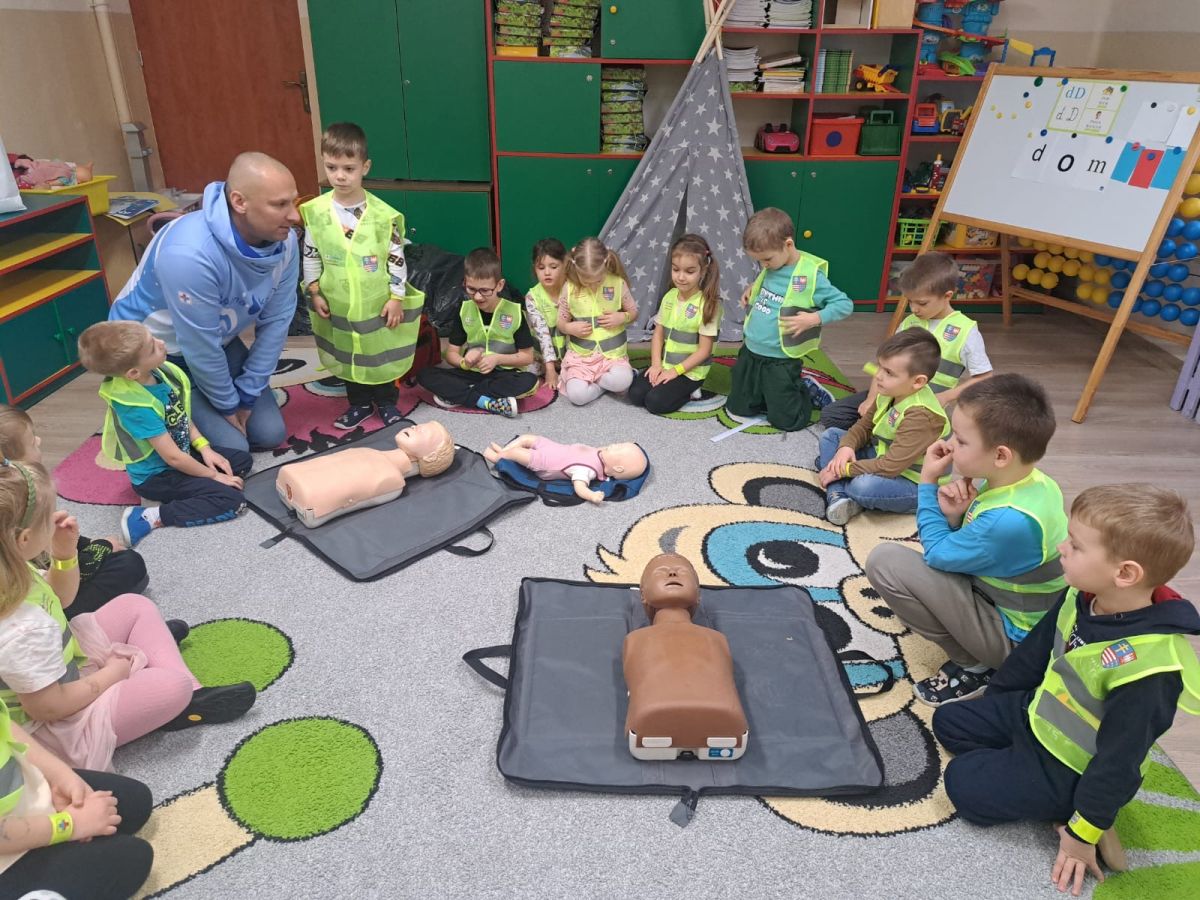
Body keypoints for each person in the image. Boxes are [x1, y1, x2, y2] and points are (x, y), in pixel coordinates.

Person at [932, 485, 1199, 897]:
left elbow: (1120, 760)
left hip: (1070, 765)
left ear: (1125, 574)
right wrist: (998, 706)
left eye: (1075, 545)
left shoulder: (1151, 668)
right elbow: (1033, 656)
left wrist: (1081, 832)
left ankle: (1080, 809)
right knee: (948, 720)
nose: (1062, 547)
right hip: (1037, 715)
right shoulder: (1082, 594)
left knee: (961, 783)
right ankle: (1025, 775)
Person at [0, 461, 256, 773]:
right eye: (47, 517)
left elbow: (61, 598)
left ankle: (186, 696)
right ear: (24, 540)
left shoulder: (11, 566)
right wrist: (113, 674)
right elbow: (51, 707)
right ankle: (177, 697)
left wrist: (65, 557)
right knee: (171, 686)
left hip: (63, 664)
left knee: (134, 605)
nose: (58, 517)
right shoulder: (22, 630)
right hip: (57, 725)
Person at [866, 374, 1068, 706]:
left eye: (960, 440)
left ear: (1001, 455)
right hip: (1019, 614)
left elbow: (936, 553)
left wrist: (927, 484)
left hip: (1018, 642)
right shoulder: (1033, 482)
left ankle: (976, 666)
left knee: (886, 563)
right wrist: (955, 517)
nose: (948, 444)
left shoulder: (1008, 520)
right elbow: (982, 550)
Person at [109, 151, 301, 453]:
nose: (295, 216)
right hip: (152, 353)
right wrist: (228, 406)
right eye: (280, 205)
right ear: (239, 202)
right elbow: (199, 345)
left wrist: (248, 394)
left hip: (217, 340)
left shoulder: (286, 241)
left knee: (268, 434)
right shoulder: (190, 254)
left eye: (294, 202)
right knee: (234, 449)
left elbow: (278, 320)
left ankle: (199, 406)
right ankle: (136, 405)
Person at [78, 322, 252, 548]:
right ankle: (149, 516)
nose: (161, 343)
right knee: (231, 501)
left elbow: (179, 414)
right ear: (133, 373)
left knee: (241, 461)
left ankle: (195, 486)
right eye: (152, 347)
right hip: (158, 475)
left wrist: (204, 447)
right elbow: (173, 458)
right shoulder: (137, 407)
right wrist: (212, 476)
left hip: (179, 453)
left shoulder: (158, 372)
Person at [301, 122, 423, 431]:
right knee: (349, 355)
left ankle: (387, 403)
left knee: (378, 354)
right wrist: (314, 291)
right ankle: (358, 404)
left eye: (349, 168)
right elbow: (311, 255)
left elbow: (396, 258)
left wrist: (396, 297)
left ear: (364, 167)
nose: (340, 176)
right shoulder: (316, 212)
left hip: (376, 303)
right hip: (338, 303)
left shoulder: (383, 215)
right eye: (332, 167)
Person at [0, 406, 148, 619]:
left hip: (47, 587)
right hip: (50, 609)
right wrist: (102, 546)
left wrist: (84, 544)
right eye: (32, 442)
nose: (39, 441)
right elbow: (61, 588)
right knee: (129, 565)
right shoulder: (21, 515)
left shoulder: (21, 498)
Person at [0, 697, 154, 900]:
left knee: (133, 802)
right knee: (132, 858)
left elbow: (7, 728)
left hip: (24, 796)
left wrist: (61, 776)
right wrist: (67, 825)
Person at [821, 251, 992, 430]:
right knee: (831, 416)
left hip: (922, 408)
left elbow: (984, 377)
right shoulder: (909, 322)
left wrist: (946, 397)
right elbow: (884, 365)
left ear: (947, 296)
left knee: (899, 434)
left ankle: (875, 438)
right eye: (910, 301)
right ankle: (873, 434)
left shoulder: (965, 331)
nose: (914, 309)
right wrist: (871, 399)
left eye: (922, 303)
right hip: (891, 395)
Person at [728, 207, 853, 432]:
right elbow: (772, 287)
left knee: (788, 421)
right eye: (759, 261)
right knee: (739, 408)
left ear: (788, 244)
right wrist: (752, 288)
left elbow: (844, 304)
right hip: (751, 350)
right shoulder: (773, 264)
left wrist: (814, 318)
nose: (764, 265)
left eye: (767, 259)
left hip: (781, 358)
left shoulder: (810, 275)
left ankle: (807, 390)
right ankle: (768, 391)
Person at [817, 328, 949, 524]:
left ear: (917, 382)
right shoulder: (891, 391)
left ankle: (839, 488)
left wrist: (843, 469)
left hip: (914, 482)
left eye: (888, 372)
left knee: (862, 487)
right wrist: (846, 447)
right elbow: (863, 426)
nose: (878, 376)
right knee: (832, 436)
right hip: (883, 456)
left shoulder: (921, 416)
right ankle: (839, 495)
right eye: (880, 366)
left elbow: (890, 467)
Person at [416, 248, 538, 417]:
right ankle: (485, 401)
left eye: (485, 290)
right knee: (425, 374)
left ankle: (460, 394)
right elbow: (451, 354)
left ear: (500, 285)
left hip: (504, 374)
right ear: (464, 282)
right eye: (471, 289)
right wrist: (464, 362)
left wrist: (497, 359)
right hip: (471, 373)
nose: (478, 297)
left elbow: (527, 357)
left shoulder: (514, 312)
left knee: (529, 381)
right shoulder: (464, 310)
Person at [628, 234, 722, 416]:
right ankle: (666, 381)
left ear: (703, 271)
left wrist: (675, 372)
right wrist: (656, 365)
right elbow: (658, 334)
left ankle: (692, 392)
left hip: (690, 372)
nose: (681, 277)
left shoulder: (709, 305)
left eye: (689, 271)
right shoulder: (670, 296)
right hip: (666, 364)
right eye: (675, 269)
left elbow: (704, 351)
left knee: (655, 403)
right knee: (636, 395)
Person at [556, 237, 638, 406]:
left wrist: (622, 317)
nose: (593, 285)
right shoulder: (569, 289)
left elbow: (633, 312)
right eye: (586, 281)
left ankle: (600, 383)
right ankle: (603, 386)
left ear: (605, 265)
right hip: (581, 358)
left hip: (612, 357)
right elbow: (560, 324)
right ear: (576, 269)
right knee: (577, 396)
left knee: (623, 381)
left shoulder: (618, 284)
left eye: (598, 280)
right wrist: (570, 327)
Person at [484, 435, 646, 505]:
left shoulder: (587, 470)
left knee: (517, 453)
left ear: (618, 468)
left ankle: (497, 457)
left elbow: (579, 487)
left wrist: (592, 495)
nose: (616, 444)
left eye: (619, 448)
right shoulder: (603, 453)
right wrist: (629, 446)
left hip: (545, 463)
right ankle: (504, 451)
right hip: (552, 447)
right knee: (526, 438)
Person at [524, 238, 568, 393]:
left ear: (564, 264)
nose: (547, 273)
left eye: (553, 267)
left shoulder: (573, 289)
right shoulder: (532, 297)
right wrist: (550, 370)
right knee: (526, 373)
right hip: (543, 357)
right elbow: (543, 336)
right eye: (541, 268)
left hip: (572, 353)